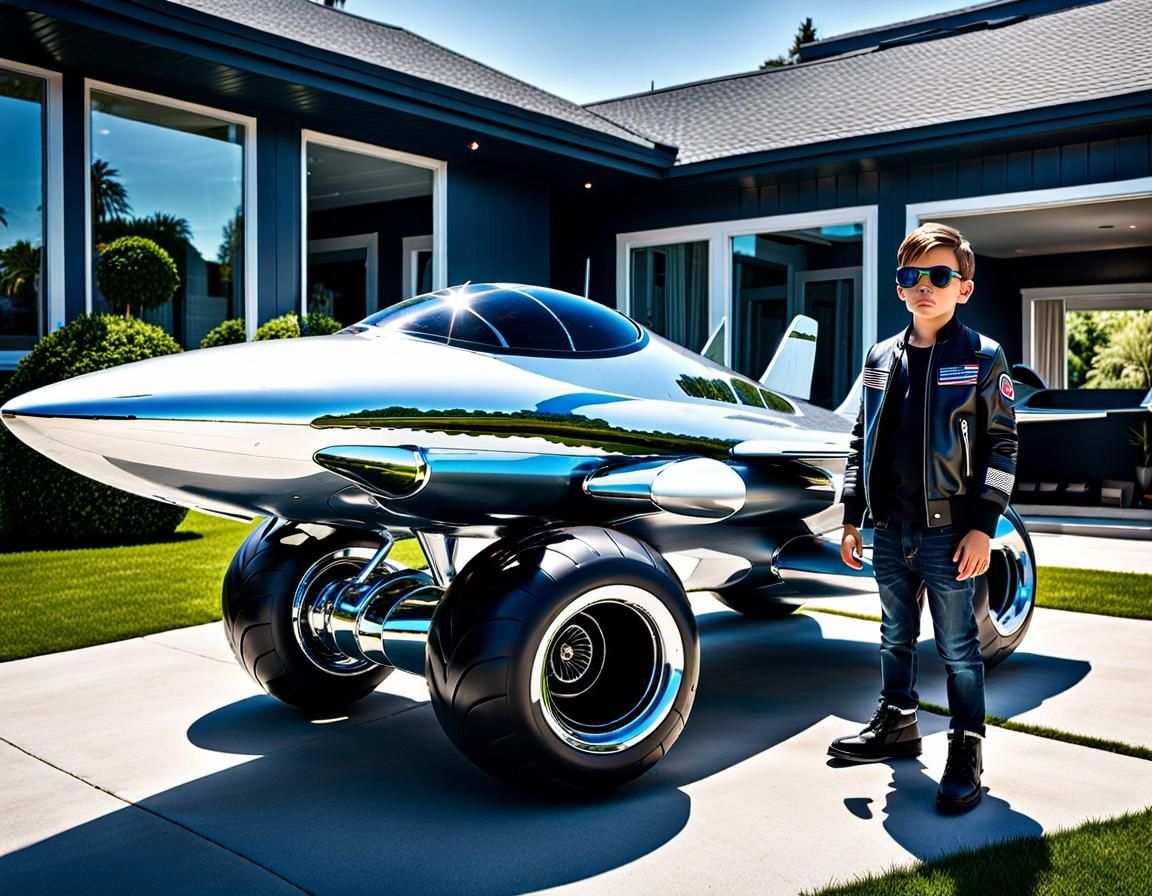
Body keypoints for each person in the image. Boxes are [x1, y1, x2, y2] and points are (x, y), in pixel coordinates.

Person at [829, 222, 1018, 813]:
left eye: (939, 276)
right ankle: (897, 722)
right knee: (894, 637)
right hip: (889, 529)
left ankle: (966, 746)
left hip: (950, 535)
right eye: (912, 277)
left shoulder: (983, 356)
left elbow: (1003, 448)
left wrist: (984, 526)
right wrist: (853, 514)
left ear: (963, 287)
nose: (925, 287)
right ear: (900, 287)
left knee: (960, 649)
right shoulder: (880, 357)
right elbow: (862, 438)